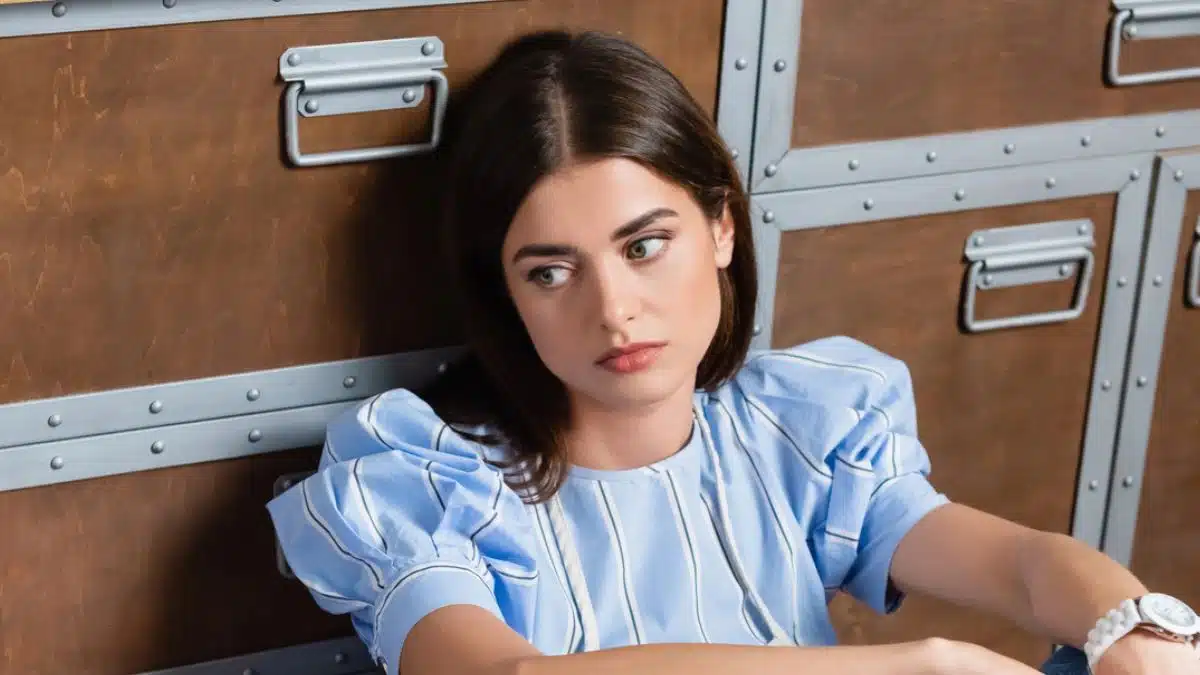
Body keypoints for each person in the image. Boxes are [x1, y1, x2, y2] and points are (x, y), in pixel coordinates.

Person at [267, 30, 1200, 675]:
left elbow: (1026, 563)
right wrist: (904, 665)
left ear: (720, 225)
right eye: (551, 272)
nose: (614, 311)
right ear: (505, 294)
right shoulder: (429, 485)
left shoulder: (796, 436)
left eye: (644, 245)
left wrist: (1132, 625)